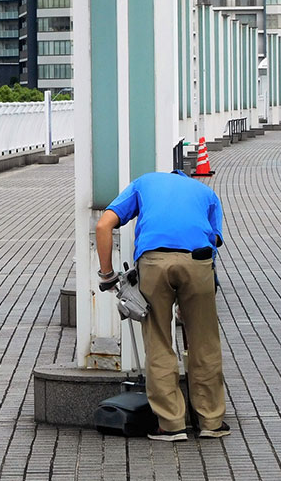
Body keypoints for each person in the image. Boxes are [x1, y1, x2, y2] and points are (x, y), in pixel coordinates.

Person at [96, 170, 229, 442]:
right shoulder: (206, 193)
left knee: (158, 339)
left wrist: (107, 274)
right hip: (198, 260)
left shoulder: (144, 183)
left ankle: (170, 425)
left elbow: (103, 226)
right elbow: (214, 240)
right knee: (204, 341)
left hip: (154, 261)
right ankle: (211, 422)